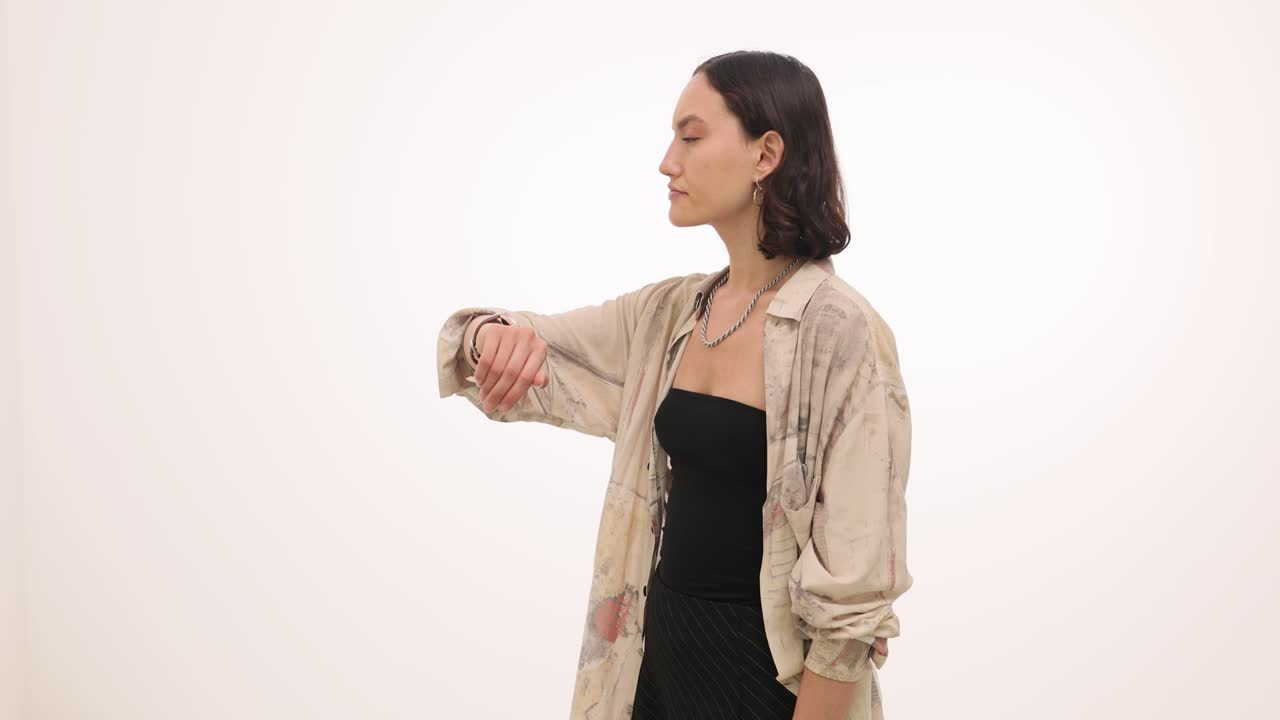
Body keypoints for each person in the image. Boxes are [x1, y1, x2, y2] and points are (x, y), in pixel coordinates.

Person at [437, 50, 912, 720]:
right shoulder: (669, 314)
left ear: (766, 154)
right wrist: (489, 334)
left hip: (763, 682)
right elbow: (507, 345)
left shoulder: (839, 332)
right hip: (655, 663)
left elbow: (852, 608)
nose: (668, 162)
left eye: (690, 136)